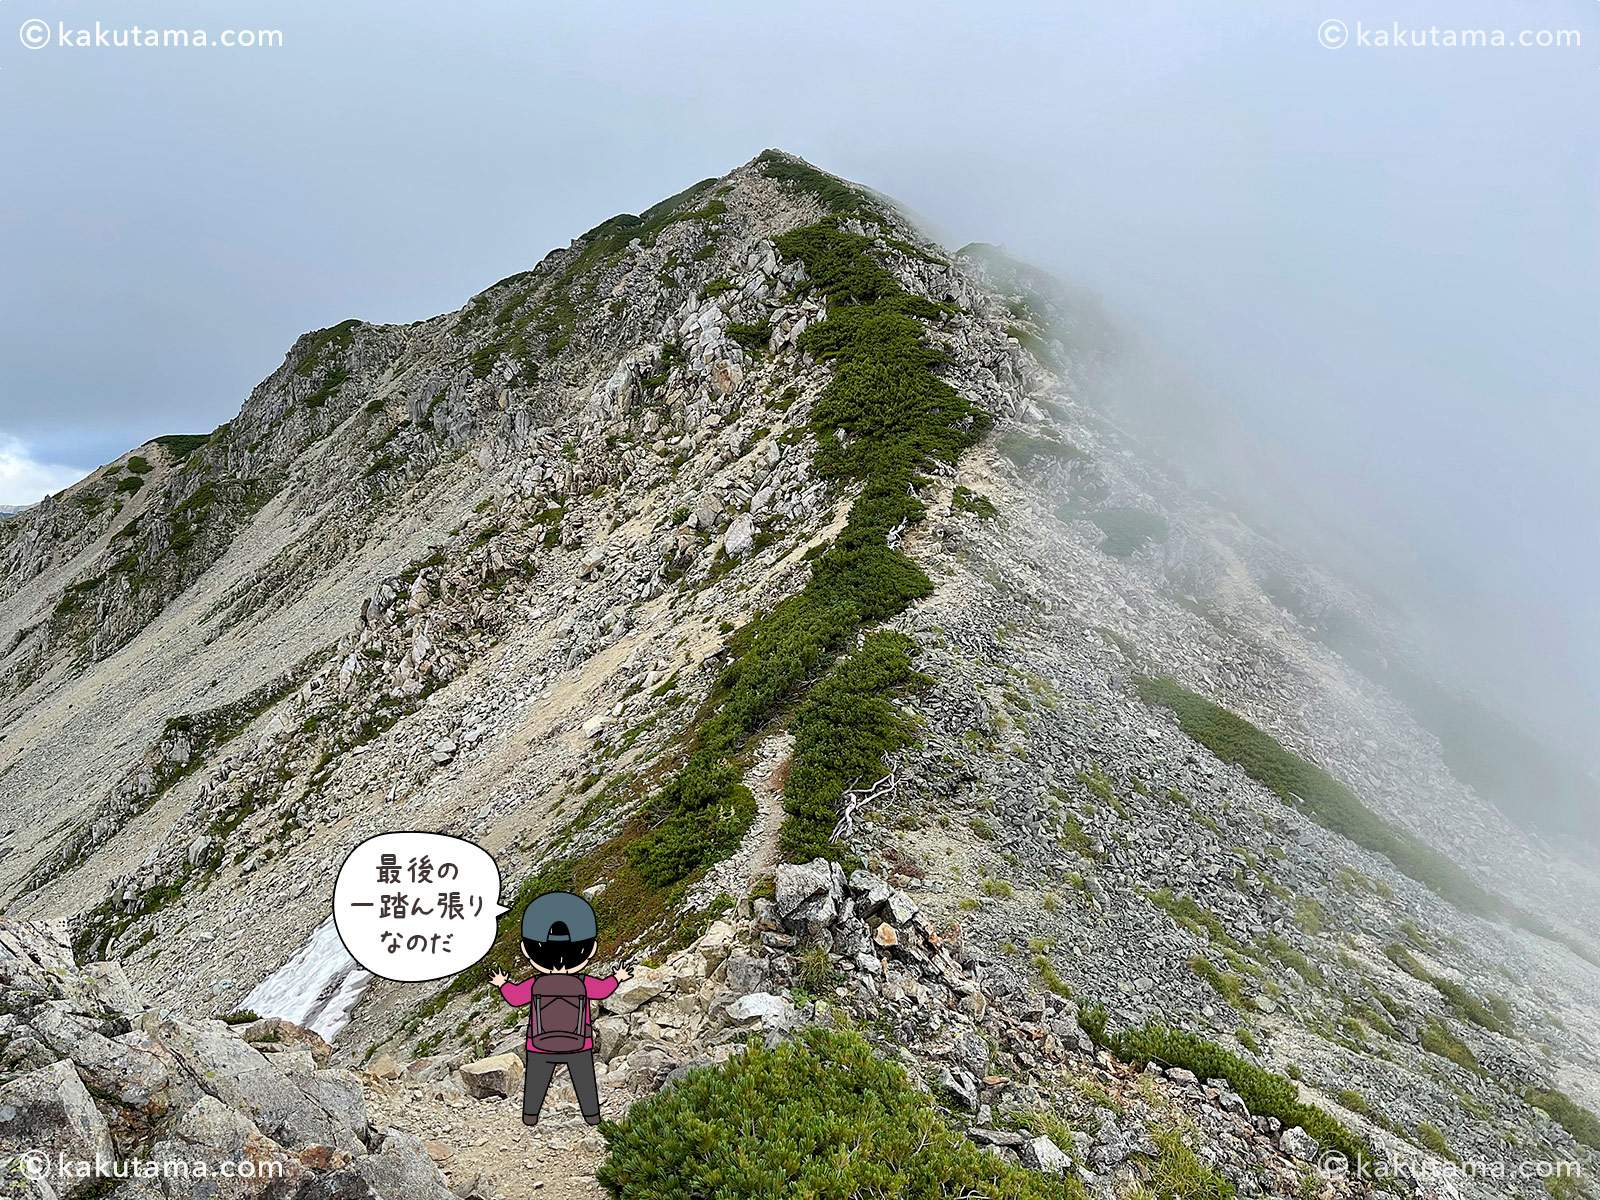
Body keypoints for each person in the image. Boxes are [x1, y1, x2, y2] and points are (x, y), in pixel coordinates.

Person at [490, 891, 625, 1127]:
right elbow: (604, 990)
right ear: (590, 950)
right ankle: (592, 1116)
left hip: (540, 1044)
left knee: (536, 1083)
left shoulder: (534, 984)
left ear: (527, 950)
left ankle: (530, 1116)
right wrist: (618, 977)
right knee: (584, 1082)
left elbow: (514, 998)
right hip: (579, 1044)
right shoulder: (584, 983)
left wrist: (502, 983)